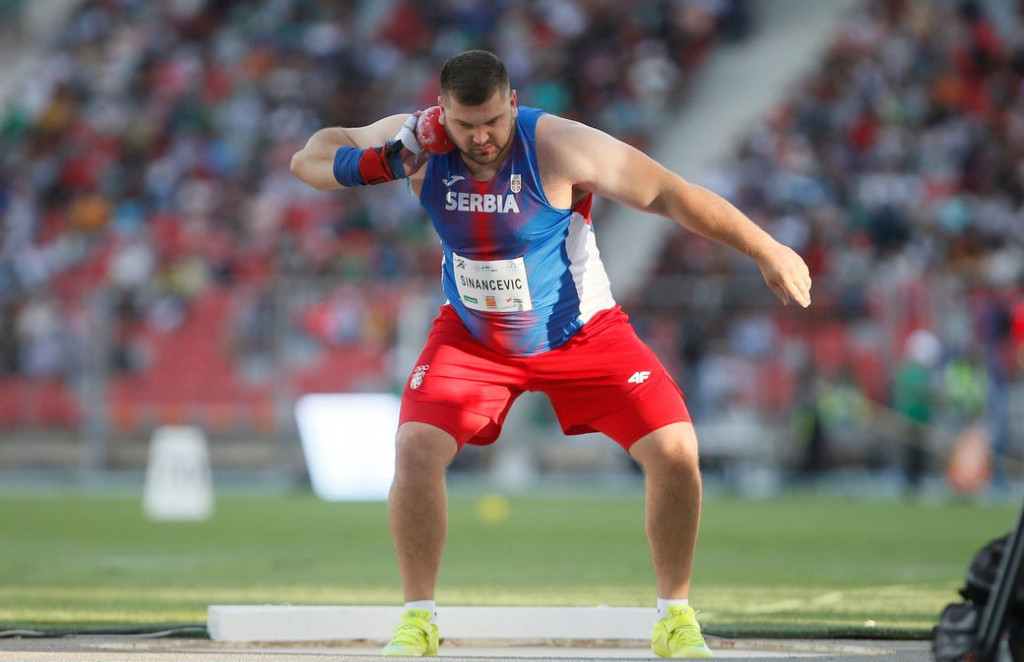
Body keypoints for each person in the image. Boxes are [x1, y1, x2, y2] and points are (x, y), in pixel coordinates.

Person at [290, 49, 812, 658]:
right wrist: (387, 161)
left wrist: (766, 248)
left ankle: (676, 616)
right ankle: (418, 619)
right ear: (442, 114)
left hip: (582, 333)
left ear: (512, 103)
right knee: (414, 447)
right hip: (474, 337)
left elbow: (668, 193)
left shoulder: (560, 146)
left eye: (493, 121)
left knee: (675, 449)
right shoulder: (417, 144)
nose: (481, 138)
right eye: (465, 125)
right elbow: (310, 160)